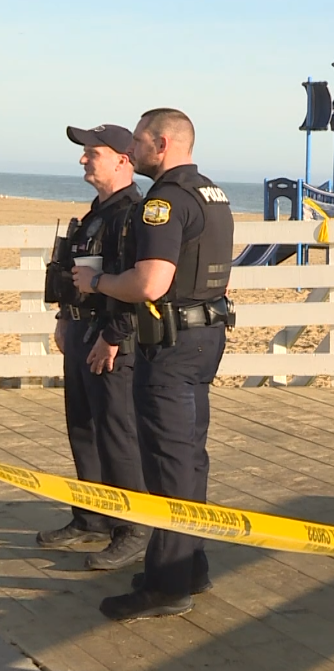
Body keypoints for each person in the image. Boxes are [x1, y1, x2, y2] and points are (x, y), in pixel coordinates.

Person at [73, 108, 235, 620]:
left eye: (140, 141)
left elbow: (149, 283)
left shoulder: (163, 202)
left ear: (161, 144)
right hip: (205, 336)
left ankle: (167, 586)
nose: (134, 149)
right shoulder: (212, 193)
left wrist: (96, 283)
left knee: (168, 464)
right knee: (189, 458)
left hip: (171, 345)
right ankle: (191, 567)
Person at [38, 124, 149, 570]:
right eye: (84, 152)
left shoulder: (133, 214)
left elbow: (140, 285)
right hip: (83, 331)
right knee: (83, 429)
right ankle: (92, 518)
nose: (83, 159)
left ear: (123, 159)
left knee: (117, 435)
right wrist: (65, 318)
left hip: (112, 339)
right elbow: (76, 274)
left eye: (93, 152)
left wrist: (113, 336)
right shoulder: (97, 213)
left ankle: (135, 528)